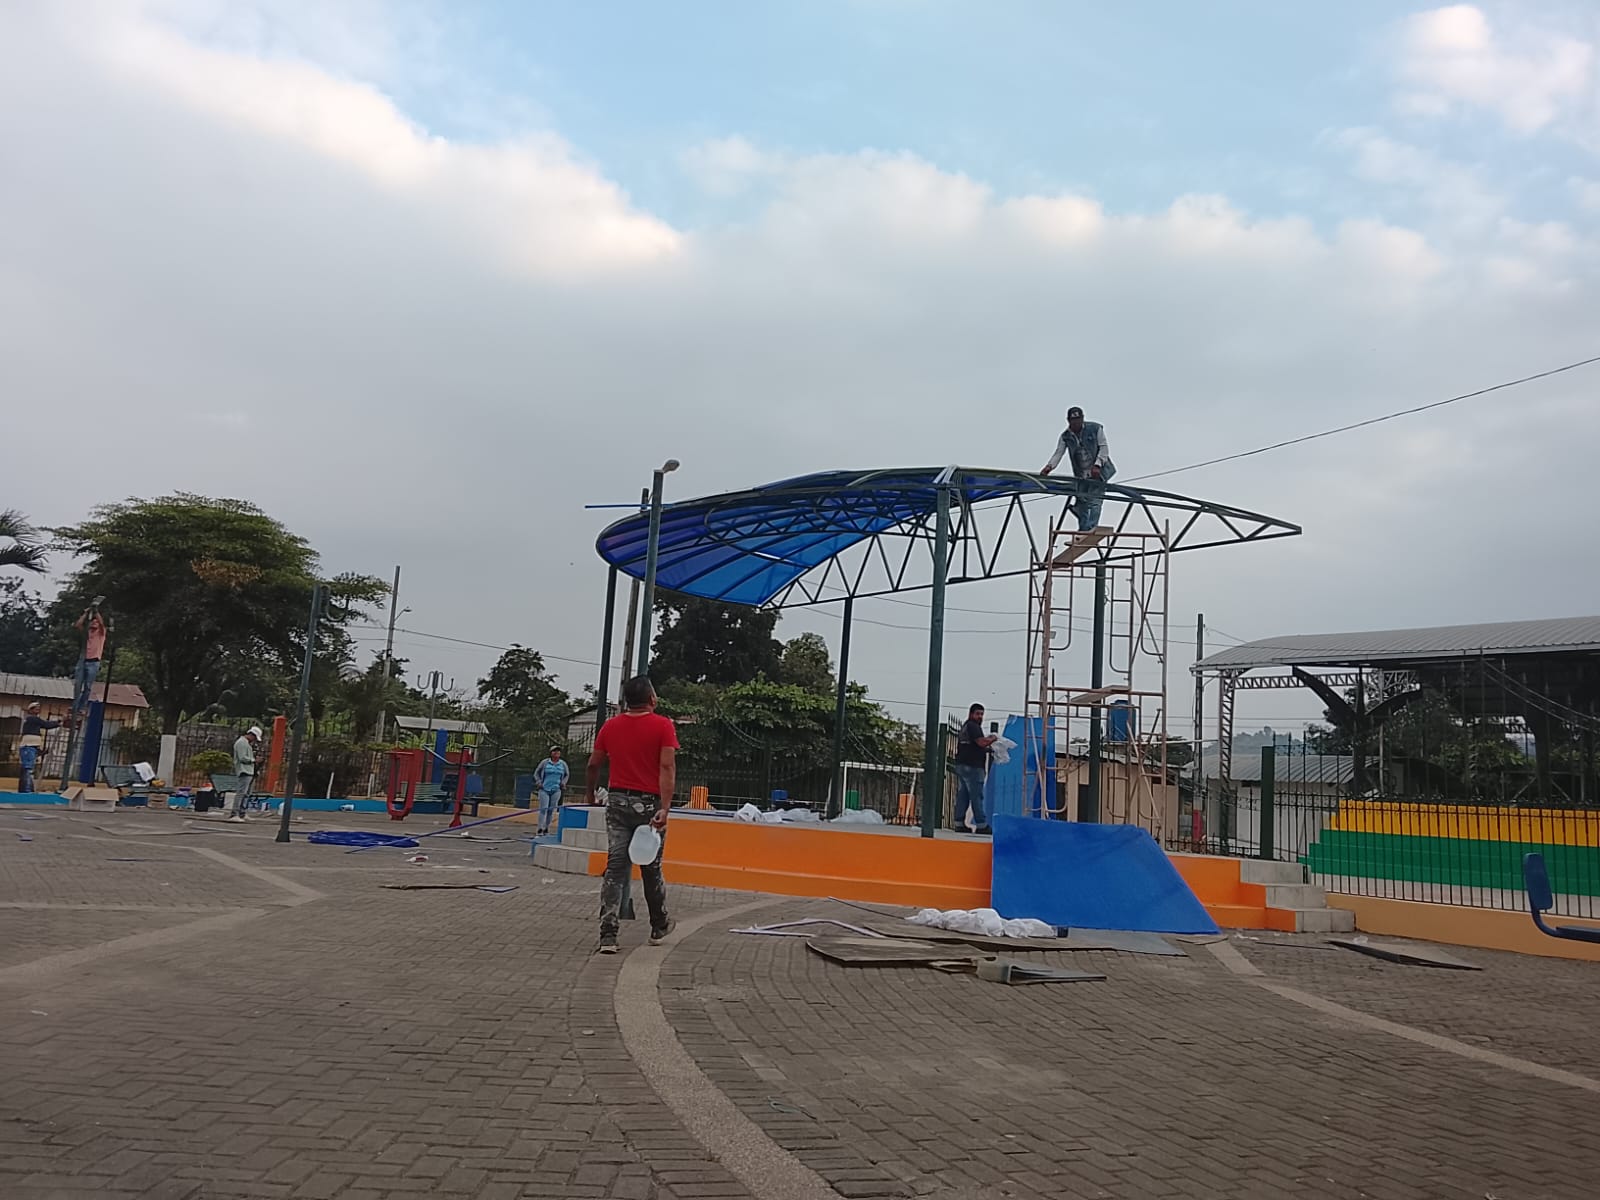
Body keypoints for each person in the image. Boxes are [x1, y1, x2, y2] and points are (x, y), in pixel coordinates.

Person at [586, 676, 677, 954]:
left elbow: (593, 764)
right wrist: (665, 807)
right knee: (650, 866)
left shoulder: (610, 726)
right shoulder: (663, 726)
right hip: (649, 804)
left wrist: (590, 794)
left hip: (617, 801)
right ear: (651, 699)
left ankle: (608, 935)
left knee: (616, 866)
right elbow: (667, 768)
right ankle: (659, 925)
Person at [1040, 406, 1116, 532]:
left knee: (1095, 501)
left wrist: (1098, 465)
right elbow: (1059, 453)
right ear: (1068, 421)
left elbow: (1104, 448)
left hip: (1098, 473)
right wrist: (1049, 467)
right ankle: (1083, 529)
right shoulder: (1066, 436)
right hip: (1082, 474)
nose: (1076, 423)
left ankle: (1091, 528)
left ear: (1083, 419)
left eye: (1078, 420)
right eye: (1073, 421)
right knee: (1082, 501)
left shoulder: (1095, 429)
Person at [953, 703, 998, 835]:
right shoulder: (973, 726)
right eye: (977, 714)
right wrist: (994, 738)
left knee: (963, 795)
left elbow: (975, 746)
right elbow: (981, 742)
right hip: (973, 766)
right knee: (976, 796)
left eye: (982, 714)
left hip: (962, 764)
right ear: (971, 714)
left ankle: (959, 823)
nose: (980, 717)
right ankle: (981, 824)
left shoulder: (966, 726)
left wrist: (987, 749)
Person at [70, 600, 111, 718]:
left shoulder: (101, 633)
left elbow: (102, 624)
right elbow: (78, 625)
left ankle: (82, 707)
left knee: (87, 687)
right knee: (78, 685)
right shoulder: (88, 633)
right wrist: (85, 613)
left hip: (93, 662)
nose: (94, 623)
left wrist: (96, 612)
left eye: (96, 622)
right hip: (83, 661)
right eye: (93, 621)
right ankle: (75, 707)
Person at [18, 700, 62, 794]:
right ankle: (27, 789)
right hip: (29, 746)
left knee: (27, 768)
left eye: (38, 709)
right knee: (28, 769)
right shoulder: (33, 719)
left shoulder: (32, 721)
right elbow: (46, 725)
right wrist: (58, 723)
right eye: (35, 709)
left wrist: (40, 751)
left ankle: (25, 788)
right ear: (30, 710)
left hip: (31, 746)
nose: (38, 710)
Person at [228, 725, 262, 819]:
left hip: (249, 771)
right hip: (244, 770)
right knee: (241, 793)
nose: (254, 740)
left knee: (246, 794)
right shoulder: (241, 743)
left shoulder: (246, 744)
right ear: (252, 735)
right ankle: (235, 813)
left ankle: (242, 813)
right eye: (255, 738)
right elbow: (242, 758)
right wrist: (254, 760)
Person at [533, 746, 569, 836]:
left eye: (558, 751)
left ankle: (546, 828)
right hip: (544, 789)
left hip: (556, 789)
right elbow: (536, 773)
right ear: (551, 753)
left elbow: (567, 774)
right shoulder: (545, 762)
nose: (556, 753)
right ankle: (540, 828)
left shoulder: (563, 764)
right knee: (543, 808)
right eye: (554, 751)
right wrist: (539, 782)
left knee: (551, 810)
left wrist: (563, 783)